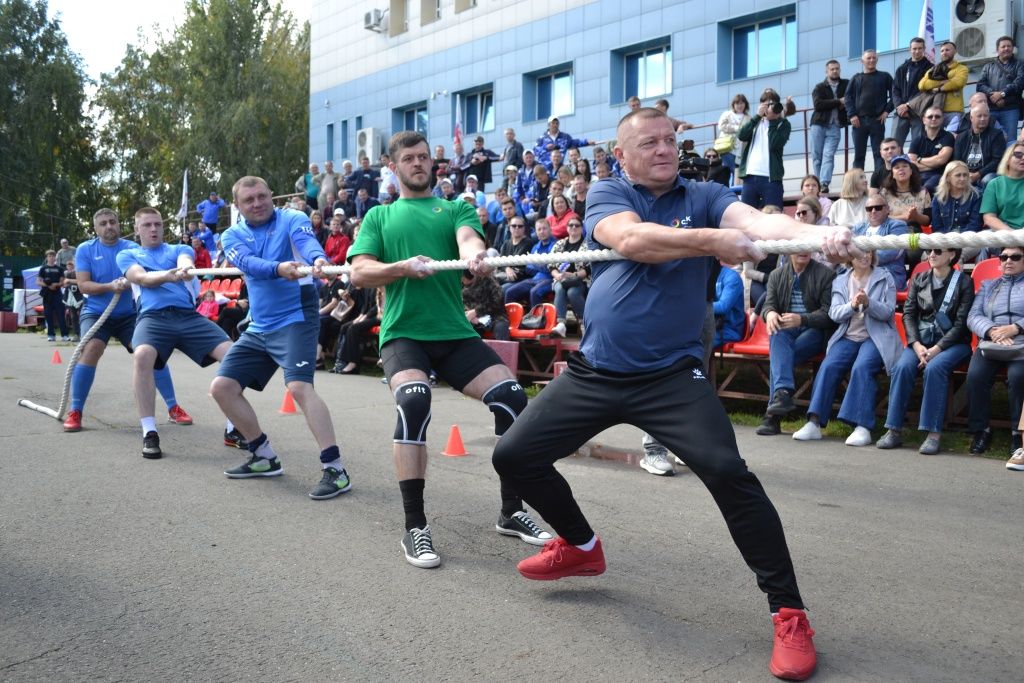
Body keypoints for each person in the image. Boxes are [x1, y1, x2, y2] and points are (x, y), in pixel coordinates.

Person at [491, 108, 853, 681]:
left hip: (669, 378)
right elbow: (633, 241)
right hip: (596, 371)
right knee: (513, 456)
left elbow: (760, 223)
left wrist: (819, 234)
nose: (663, 149)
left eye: (669, 140)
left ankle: (789, 613)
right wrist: (715, 242)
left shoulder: (704, 193)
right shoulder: (608, 192)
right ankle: (582, 547)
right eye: (648, 142)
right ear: (624, 154)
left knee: (728, 473)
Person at [348, 130, 552, 569]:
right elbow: (359, 273)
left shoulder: (456, 206)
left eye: (424, 157)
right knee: (413, 403)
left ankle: (511, 510)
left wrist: (477, 253)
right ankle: (415, 526)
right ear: (393, 165)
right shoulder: (379, 218)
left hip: (454, 334)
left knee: (514, 398)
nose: (420, 163)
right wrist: (400, 268)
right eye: (409, 158)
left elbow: (467, 240)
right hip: (405, 335)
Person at [209, 176, 353, 501]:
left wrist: (317, 260)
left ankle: (336, 469)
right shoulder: (231, 235)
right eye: (249, 200)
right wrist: (277, 268)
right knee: (222, 388)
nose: (257, 203)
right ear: (238, 206)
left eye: (262, 196)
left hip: (296, 315)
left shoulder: (292, 217)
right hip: (260, 324)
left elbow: (306, 242)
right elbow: (248, 264)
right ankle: (263, 455)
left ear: (271, 195)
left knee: (300, 387)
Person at [61, 209, 203, 438]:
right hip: (97, 313)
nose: (109, 226)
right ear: (96, 229)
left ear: (119, 224)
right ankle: (75, 410)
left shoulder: (132, 250)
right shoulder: (86, 249)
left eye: (113, 222)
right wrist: (110, 286)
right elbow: (84, 286)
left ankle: (173, 407)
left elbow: (149, 274)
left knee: (150, 353)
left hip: (130, 314)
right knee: (91, 349)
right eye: (103, 224)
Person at [117, 207, 234, 459]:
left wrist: (183, 269)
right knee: (142, 356)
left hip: (187, 316)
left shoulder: (179, 249)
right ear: (137, 229)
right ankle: (149, 432)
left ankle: (234, 427)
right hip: (152, 317)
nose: (153, 229)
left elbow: (186, 263)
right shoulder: (128, 254)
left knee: (234, 354)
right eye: (147, 225)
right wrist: (169, 276)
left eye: (157, 224)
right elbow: (140, 278)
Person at [793, 250, 901, 447]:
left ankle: (863, 427)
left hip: (875, 337)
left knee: (862, 367)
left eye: (869, 252)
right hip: (848, 336)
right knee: (829, 366)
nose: (865, 256)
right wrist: (852, 305)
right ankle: (814, 423)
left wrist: (869, 304)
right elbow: (834, 313)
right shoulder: (840, 280)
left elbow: (888, 312)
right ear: (850, 257)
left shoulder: (885, 277)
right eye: (860, 253)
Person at [877, 247, 974, 454]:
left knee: (934, 369)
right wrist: (916, 345)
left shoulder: (964, 281)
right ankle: (893, 429)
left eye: (938, 251)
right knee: (902, 367)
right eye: (929, 250)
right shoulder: (919, 278)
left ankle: (933, 433)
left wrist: (937, 349)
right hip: (921, 342)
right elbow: (908, 314)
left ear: (952, 255)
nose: (931, 254)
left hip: (953, 344)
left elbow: (961, 324)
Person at [757, 251, 837, 436]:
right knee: (776, 335)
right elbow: (769, 304)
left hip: (814, 331)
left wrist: (802, 319)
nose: (804, 251)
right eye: (799, 247)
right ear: (789, 250)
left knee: (779, 359)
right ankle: (783, 394)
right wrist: (769, 314)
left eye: (808, 247)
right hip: (786, 329)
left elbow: (828, 315)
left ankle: (772, 417)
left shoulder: (826, 275)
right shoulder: (777, 275)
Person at [965, 246, 1024, 457]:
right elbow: (973, 316)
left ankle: (1019, 433)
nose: (1009, 261)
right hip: (992, 341)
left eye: (1015, 257)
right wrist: (991, 331)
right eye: (1004, 257)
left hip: (1021, 343)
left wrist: (1016, 328)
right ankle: (981, 430)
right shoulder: (988, 285)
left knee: (1018, 377)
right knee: (975, 376)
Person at [845, 49, 894, 172]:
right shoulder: (856, 78)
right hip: (858, 122)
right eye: (868, 58)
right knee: (859, 155)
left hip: (877, 121)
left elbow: (895, 95)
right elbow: (848, 97)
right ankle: (856, 186)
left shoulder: (885, 76)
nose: (871, 60)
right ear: (862, 61)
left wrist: (887, 111)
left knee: (879, 154)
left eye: (874, 58)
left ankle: (879, 184)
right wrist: (852, 115)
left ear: (877, 60)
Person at [738, 97, 791, 209]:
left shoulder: (783, 124)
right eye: (768, 104)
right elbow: (741, 136)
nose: (771, 107)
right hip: (750, 177)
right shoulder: (755, 122)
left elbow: (774, 144)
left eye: (773, 104)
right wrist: (757, 116)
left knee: (774, 217)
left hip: (771, 178)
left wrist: (772, 121)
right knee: (747, 216)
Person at [851, 195, 909, 290]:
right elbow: (848, 250)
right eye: (869, 208)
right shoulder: (859, 228)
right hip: (859, 274)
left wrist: (859, 258)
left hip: (888, 274)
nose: (873, 211)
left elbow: (890, 253)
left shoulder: (898, 226)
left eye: (878, 208)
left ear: (887, 209)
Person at [810, 60, 849, 191]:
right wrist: (838, 101)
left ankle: (824, 183)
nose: (835, 71)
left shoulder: (846, 84)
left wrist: (843, 103)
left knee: (828, 154)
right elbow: (818, 105)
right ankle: (817, 184)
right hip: (818, 124)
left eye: (837, 68)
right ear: (826, 71)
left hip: (835, 125)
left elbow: (850, 99)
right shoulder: (819, 87)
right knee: (817, 156)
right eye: (832, 69)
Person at [977, 36, 1024, 142]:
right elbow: (980, 85)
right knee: (989, 140)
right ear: (997, 49)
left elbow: (1020, 83)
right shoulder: (988, 67)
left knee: (1010, 140)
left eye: (1009, 46)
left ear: (1013, 49)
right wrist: (993, 95)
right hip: (991, 109)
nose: (1006, 48)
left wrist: (1002, 94)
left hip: (1011, 109)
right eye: (1003, 46)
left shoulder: (1020, 65)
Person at [549, 217, 589, 338]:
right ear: (566, 228)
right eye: (571, 225)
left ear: (582, 228)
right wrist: (558, 275)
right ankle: (561, 324)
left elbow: (590, 268)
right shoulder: (560, 244)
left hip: (579, 280)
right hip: (560, 279)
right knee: (560, 288)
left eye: (577, 225)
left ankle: (584, 324)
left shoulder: (587, 245)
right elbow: (550, 264)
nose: (573, 228)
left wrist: (574, 275)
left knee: (572, 292)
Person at [503, 218, 556, 306]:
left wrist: (536, 264)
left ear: (550, 229)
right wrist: (541, 265)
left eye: (544, 228)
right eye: (539, 229)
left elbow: (550, 269)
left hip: (550, 279)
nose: (542, 231)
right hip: (535, 279)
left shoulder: (556, 245)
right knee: (510, 292)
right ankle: (509, 318)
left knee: (534, 292)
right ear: (536, 232)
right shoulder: (535, 247)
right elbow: (528, 268)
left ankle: (536, 318)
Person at [954, 102, 1007, 189]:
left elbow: (997, 160)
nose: (983, 119)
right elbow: (957, 160)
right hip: (965, 174)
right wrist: (964, 174)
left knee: (988, 180)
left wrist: (978, 174)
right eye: (979, 116)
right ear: (971, 118)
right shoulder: (961, 137)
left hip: (987, 173)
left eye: (985, 116)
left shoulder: (997, 135)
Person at [917, 41, 969, 129]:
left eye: (947, 50)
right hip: (935, 113)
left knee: (952, 140)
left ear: (955, 52)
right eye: (942, 51)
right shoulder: (933, 69)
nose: (944, 53)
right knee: (935, 141)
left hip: (954, 112)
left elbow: (957, 83)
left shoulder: (962, 68)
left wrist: (938, 89)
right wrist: (943, 82)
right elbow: (922, 85)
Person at [331, 284, 381, 374]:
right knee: (344, 327)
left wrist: (365, 316)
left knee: (353, 328)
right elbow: (365, 305)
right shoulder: (367, 285)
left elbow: (378, 305)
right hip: (368, 315)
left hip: (379, 316)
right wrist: (361, 316)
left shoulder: (379, 284)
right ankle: (341, 361)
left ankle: (353, 363)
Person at [892, 37, 932, 148]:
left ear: (924, 49)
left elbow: (928, 91)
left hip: (919, 113)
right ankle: (895, 166)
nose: (917, 51)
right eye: (914, 48)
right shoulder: (902, 68)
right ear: (909, 49)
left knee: (918, 146)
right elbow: (895, 89)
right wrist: (899, 107)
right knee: (894, 145)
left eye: (920, 48)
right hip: (901, 113)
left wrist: (908, 106)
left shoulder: (930, 68)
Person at [908, 105, 955, 191]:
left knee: (926, 188)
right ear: (924, 120)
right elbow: (911, 165)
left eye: (937, 116)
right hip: (919, 176)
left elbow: (941, 160)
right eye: (930, 117)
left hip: (941, 176)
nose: (934, 119)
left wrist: (919, 159)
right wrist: (935, 165)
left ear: (942, 119)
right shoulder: (917, 139)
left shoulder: (948, 137)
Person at [879, 154, 930, 230]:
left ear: (911, 171)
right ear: (892, 174)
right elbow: (880, 217)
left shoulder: (923, 192)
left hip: (915, 233)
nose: (901, 169)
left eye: (905, 166)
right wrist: (904, 217)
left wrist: (916, 216)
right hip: (891, 232)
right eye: (897, 167)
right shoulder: (884, 193)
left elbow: (928, 221)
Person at [981, 141, 1024, 231]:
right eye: (1018, 154)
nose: (1023, 158)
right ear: (1007, 159)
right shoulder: (994, 184)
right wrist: (1012, 237)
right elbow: (989, 218)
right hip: (1003, 233)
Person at [462, 271, 510, 340]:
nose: (462, 280)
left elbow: (496, 302)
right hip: (473, 319)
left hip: (495, 316)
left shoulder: (489, 281)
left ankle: (503, 350)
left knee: (501, 327)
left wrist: (476, 311)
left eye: (463, 279)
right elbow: (460, 303)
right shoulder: (461, 285)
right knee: (464, 330)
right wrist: (469, 314)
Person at [717, 94, 751, 182]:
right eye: (737, 103)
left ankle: (736, 191)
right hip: (727, 148)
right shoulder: (727, 114)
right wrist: (736, 128)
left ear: (745, 104)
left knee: (738, 172)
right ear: (733, 105)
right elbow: (721, 126)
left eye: (742, 103)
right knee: (730, 171)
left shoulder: (748, 118)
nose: (740, 105)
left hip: (741, 150)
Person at [37, 250, 69, 342]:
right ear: (47, 257)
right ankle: (51, 335)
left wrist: (56, 284)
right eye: (49, 256)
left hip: (57, 294)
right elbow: (38, 281)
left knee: (61, 315)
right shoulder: (43, 269)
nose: (51, 257)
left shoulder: (59, 269)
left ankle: (65, 335)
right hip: (47, 295)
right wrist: (48, 285)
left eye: (53, 256)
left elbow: (62, 282)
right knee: (48, 315)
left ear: (55, 257)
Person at [494, 215, 535, 287]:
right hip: (506, 274)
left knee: (496, 283)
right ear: (509, 228)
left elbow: (515, 263)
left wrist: (506, 267)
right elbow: (500, 263)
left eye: (520, 226)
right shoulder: (506, 243)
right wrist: (507, 268)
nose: (517, 228)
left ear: (524, 228)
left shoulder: (528, 243)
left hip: (519, 277)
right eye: (514, 226)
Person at [712, 264, 744, 348]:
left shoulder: (732, 277)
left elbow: (723, 306)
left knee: (694, 343)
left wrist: (695, 307)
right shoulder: (702, 276)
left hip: (728, 330)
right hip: (707, 327)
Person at [62, 260, 82, 339]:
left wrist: (69, 281)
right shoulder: (65, 273)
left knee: (82, 315)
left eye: (71, 265)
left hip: (80, 296)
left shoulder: (79, 271)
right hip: (70, 296)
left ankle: (83, 333)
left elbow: (81, 281)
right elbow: (63, 284)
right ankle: (77, 334)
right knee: (73, 317)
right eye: (68, 265)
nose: (69, 266)